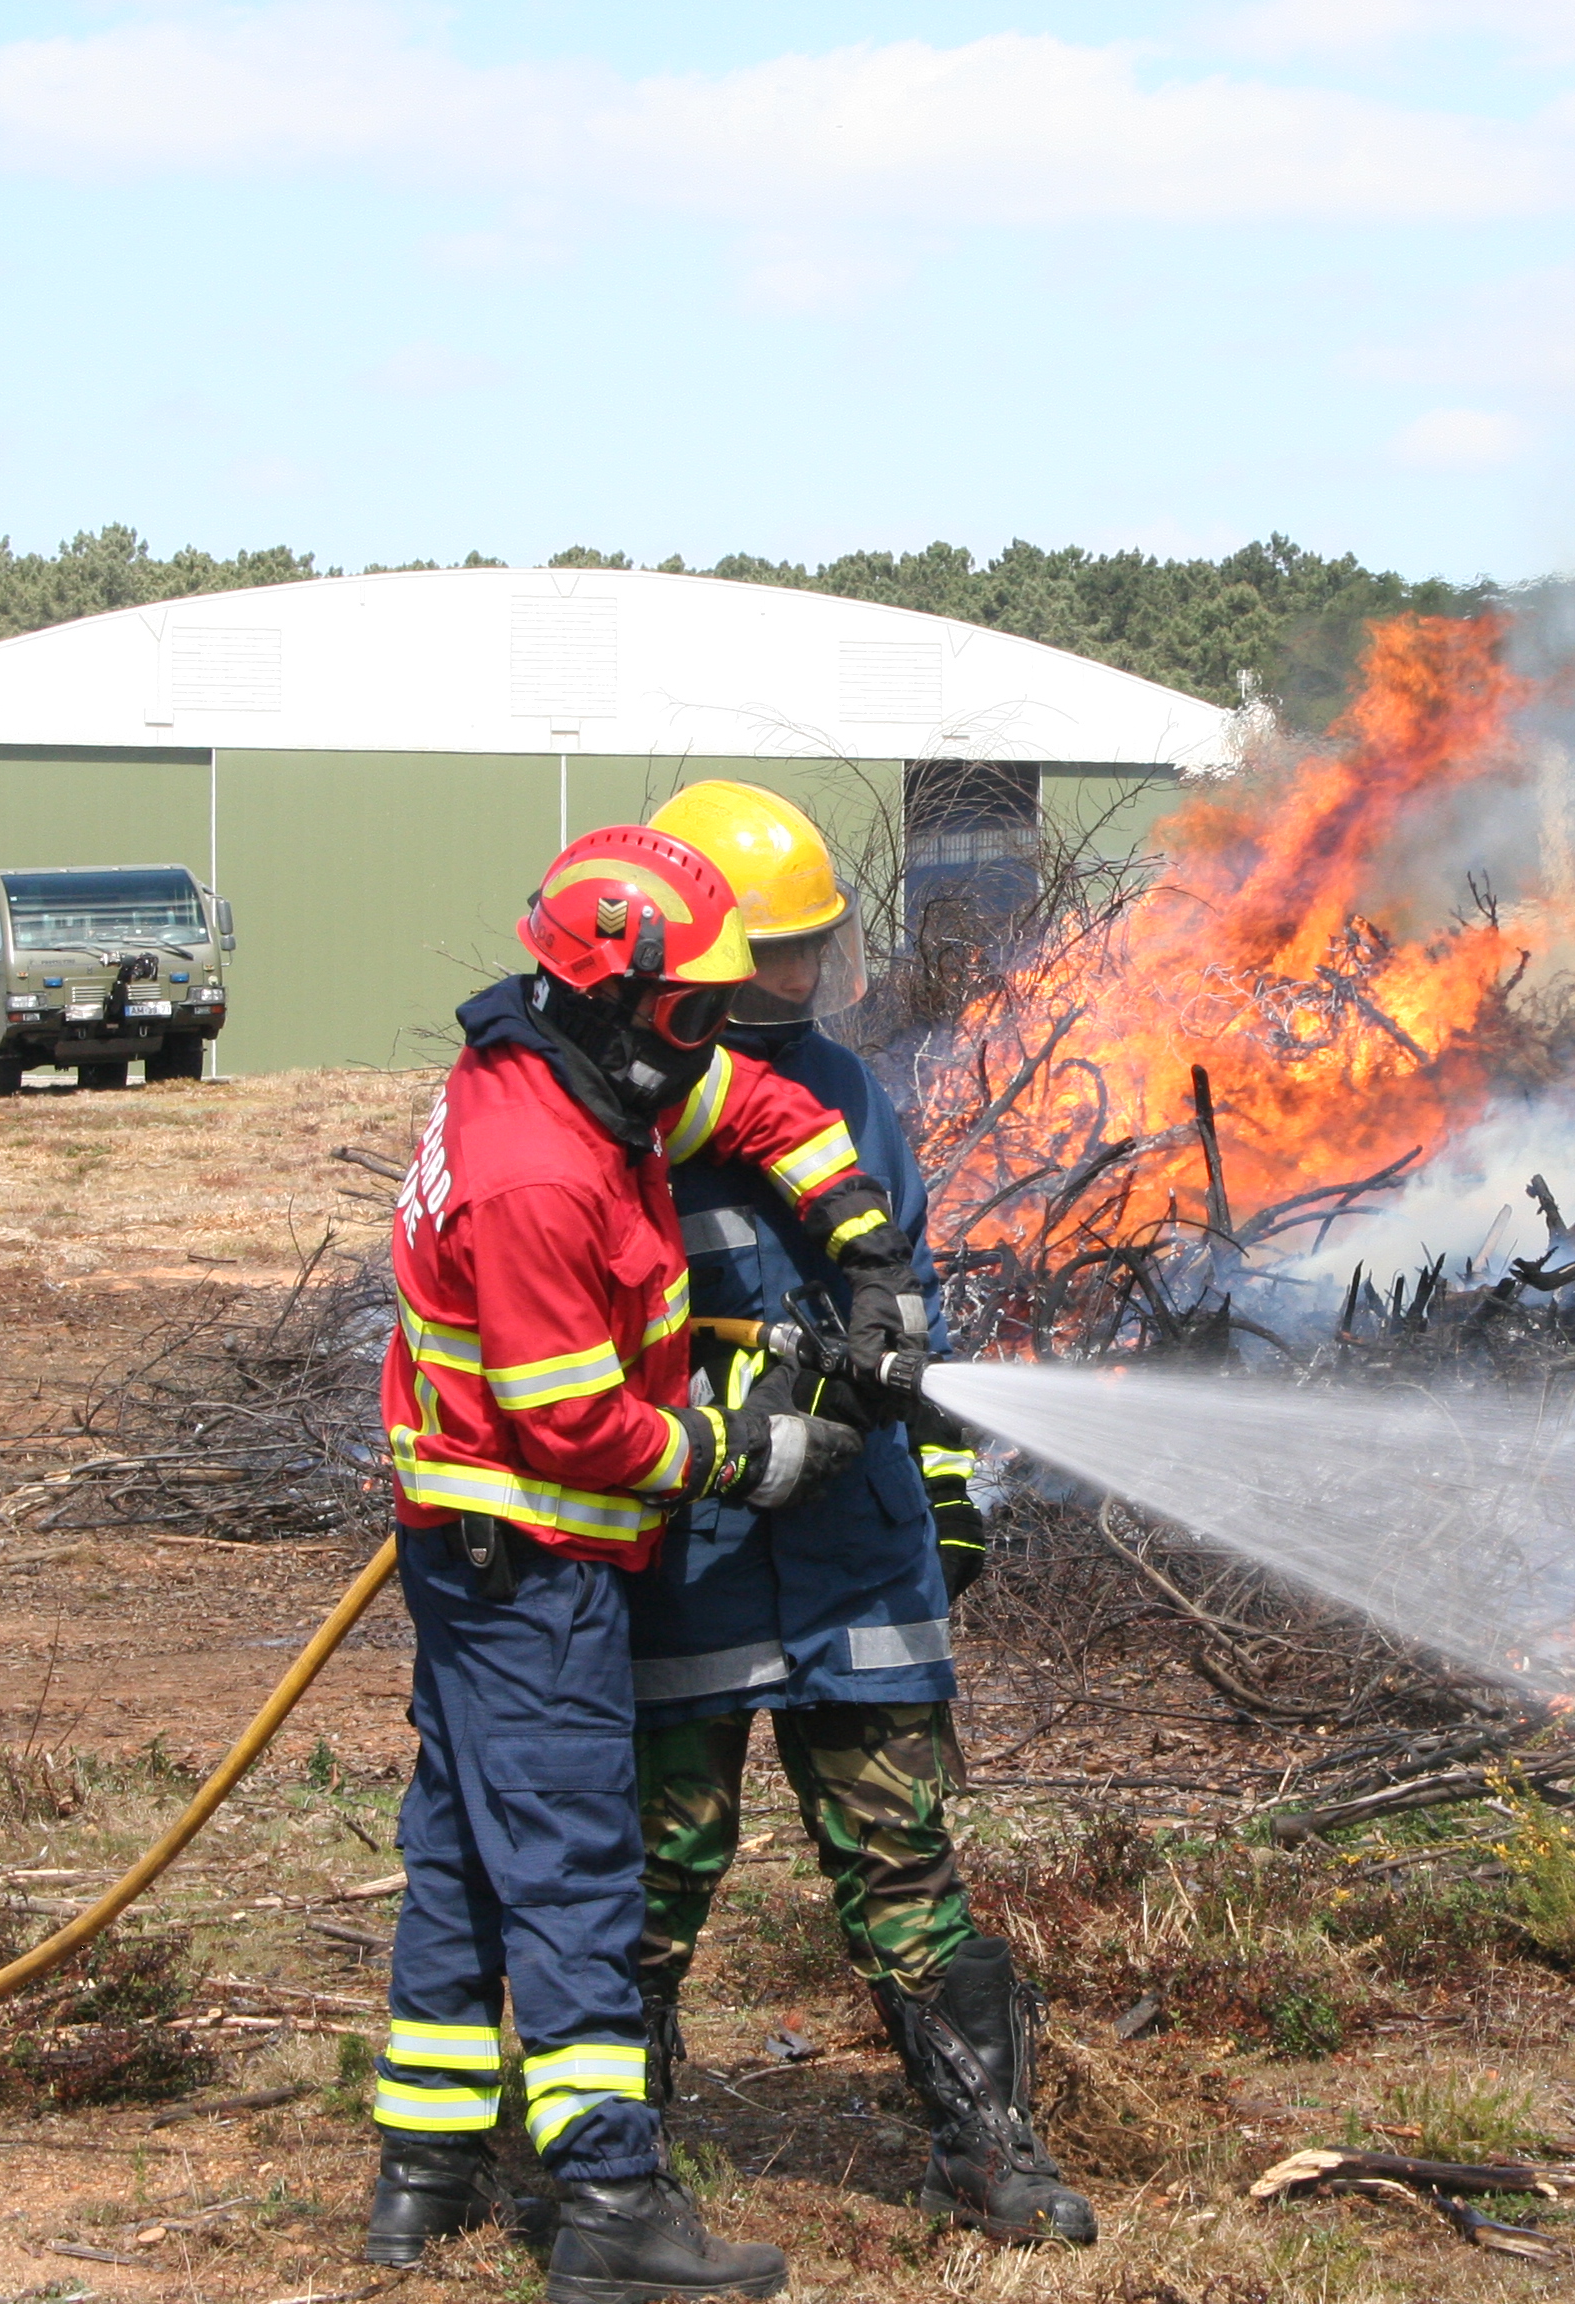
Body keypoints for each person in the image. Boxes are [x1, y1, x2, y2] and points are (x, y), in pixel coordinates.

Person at [366, 823, 931, 2296]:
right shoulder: (537, 1173)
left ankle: (422, 2173)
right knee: (572, 1875)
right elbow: (573, 1426)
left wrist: (865, 1249)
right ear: (616, 997)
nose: (708, 1043)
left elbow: (758, 1110)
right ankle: (613, 2212)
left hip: (480, 1556)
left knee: (462, 1854)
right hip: (529, 1563)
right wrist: (748, 1454)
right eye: (689, 1013)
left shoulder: (580, 1069)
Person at [630, 780, 1095, 2247]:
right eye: (772, 952)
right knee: (654, 1867)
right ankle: (606, 2164)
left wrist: (936, 1477)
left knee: (905, 1859)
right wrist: (732, 1417)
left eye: (812, 948)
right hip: (693, 1545)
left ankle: (988, 2153)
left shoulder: (847, 1090)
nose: (802, 978)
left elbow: (918, 1314)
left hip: (856, 1554)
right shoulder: (620, 1118)